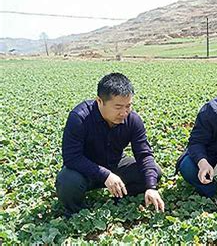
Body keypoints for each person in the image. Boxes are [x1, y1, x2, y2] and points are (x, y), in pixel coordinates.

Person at [55, 73, 164, 217]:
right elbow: (72, 158)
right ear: (99, 101)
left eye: (128, 106)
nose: (124, 112)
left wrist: (151, 187)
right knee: (67, 181)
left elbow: (144, 154)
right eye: (118, 107)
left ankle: (120, 197)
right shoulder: (79, 117)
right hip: (84, 170)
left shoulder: (133, 120)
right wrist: (105, 175)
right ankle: (78, 214)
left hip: (115, 163)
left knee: (153, 171)